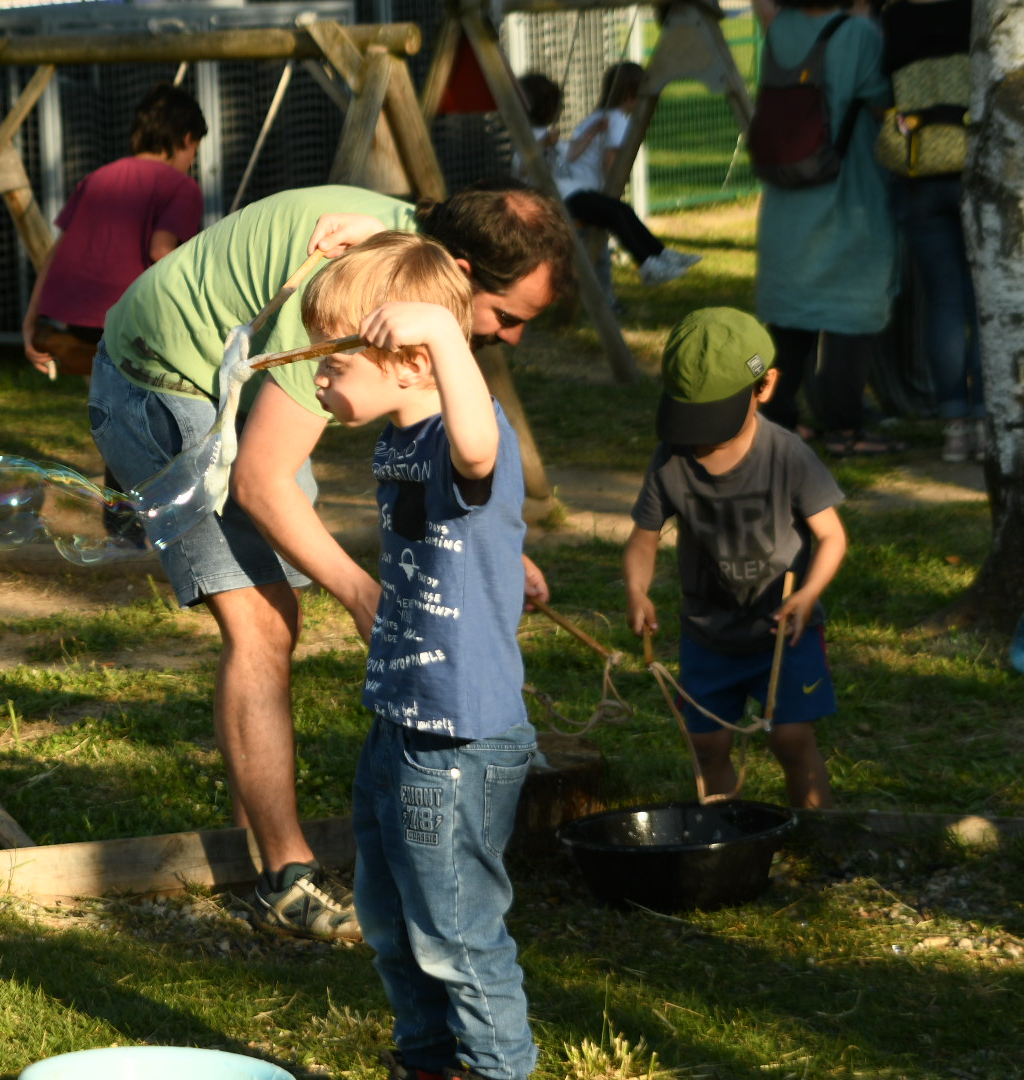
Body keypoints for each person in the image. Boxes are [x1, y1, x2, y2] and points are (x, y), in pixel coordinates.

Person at [89, 179, 568, 939]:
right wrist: (359, 591)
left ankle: (253, 841)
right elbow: (261, 481)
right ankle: (284, 879)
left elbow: (455, 458)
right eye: (506, 318)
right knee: (263, 621)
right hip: (162, 377)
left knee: (274, 616)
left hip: (232, 381)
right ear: (461, 275)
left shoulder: (409, 266)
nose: (508, 339)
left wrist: (494, 552)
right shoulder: (361, 287)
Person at [304, 231, 539, 1080]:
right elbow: (467, 520)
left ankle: (497, 1069)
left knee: (456, 932)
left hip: (457, 741)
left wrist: (444, 332)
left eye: (333, 363)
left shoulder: (457, 433)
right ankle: (428, 1060)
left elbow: (479, 457)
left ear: (409, 362)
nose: (318, 380)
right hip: (399, 722)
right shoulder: (401, 435)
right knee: (390, 918)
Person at [623, 309, 846, 809]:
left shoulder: (788, 455)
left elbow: (832, 536)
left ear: (765, 386)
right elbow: (643, 539)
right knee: (706, 743)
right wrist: (636, 589)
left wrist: (809, 593)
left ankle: (817, 831)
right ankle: (722, 834)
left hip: (783, 632)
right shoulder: (671, 459)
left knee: (791, 738)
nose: (701, 434)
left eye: (714, 417)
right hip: (709, 634)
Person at [754, 0, 900, 458]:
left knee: (788, 325)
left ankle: (777, 419)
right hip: (848, 193)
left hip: (786, 201)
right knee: (850, 316)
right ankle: (845, 427)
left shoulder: (779, 30)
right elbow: (882, 106)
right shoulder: (858, 35)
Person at [21, 83, 206, 379]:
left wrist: (30, 321)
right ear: (187, 138)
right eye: (196, 149)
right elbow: (161, 250)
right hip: (135, 325)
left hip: (76, 322)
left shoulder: (96, 178)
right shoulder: (182, 186)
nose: (193, 160)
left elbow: (56, 252)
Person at [880, 0, 983, 462]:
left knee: (943, 300)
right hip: (976, 167)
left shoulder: (896, 16)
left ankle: (955, 428)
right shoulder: (979, 13)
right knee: (984, 302)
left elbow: (883, 92)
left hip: (918, 171)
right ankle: (987, 419)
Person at [526, 64, 701, 287]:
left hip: (573, 192)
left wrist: (592, 131)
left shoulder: (547, 134)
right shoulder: (528, 136)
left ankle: (659, 253)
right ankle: (647, 264)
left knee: (622, 211)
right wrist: (543, 145)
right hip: (559, 200)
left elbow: (571, 153)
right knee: (615, 216)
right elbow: (523, 166)